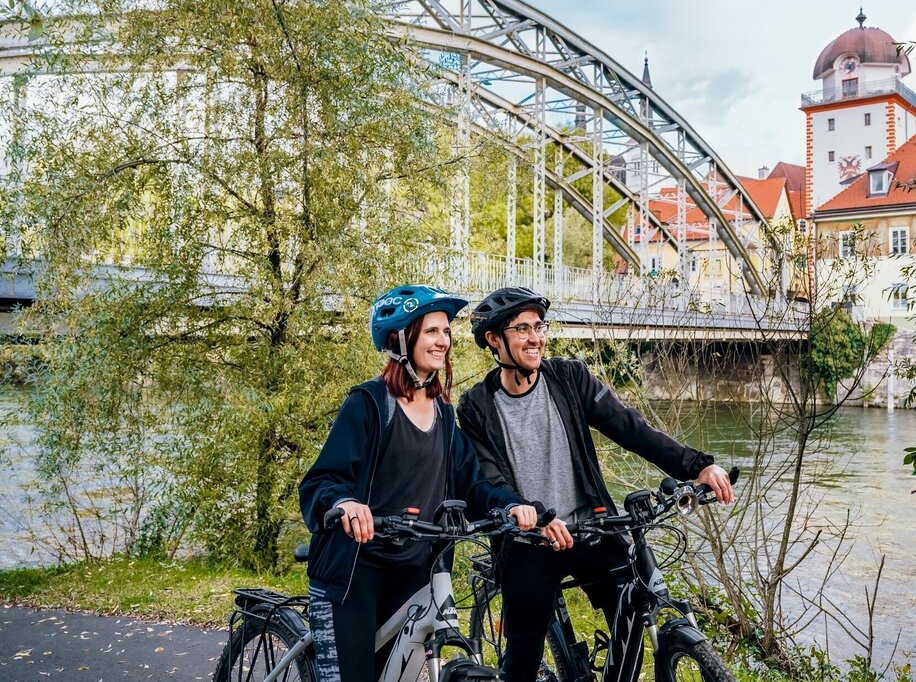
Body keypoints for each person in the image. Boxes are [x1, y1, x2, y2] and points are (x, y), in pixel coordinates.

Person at [457, 286, 734, 682]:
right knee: (521, 662)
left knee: (634, 609)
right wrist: (530, 516)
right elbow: (489, 478)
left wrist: (697, 466)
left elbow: (631, 428)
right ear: (493, 339)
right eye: (522, 329)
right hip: (530, 543)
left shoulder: (569, 378)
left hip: (591, 529)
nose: (536, 338)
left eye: (539, 326)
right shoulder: (477, 406)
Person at [298, 284, 537, 682]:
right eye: (431, 331)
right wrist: (344, 504)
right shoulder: (370, 404)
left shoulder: (444, 414)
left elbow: (472, 484)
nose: (443, 341)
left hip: (414, 573)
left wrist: (510, 505)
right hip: (356, 573)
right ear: (401, 337)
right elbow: (322, 481)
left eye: (446, 332)